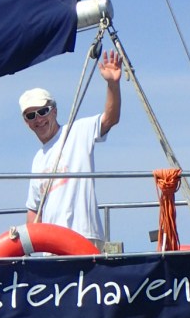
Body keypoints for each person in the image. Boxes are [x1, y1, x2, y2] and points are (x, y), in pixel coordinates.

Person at [20, 50, 123, 244]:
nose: (38, 119)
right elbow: (34, 210)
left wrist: (112, 84)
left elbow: (111, 118)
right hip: (51, 247)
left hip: (85, 236)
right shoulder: (37, 160)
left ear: (54, 111)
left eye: (43, 111)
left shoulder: (78, 131)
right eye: (31, 115)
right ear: (26, 122)